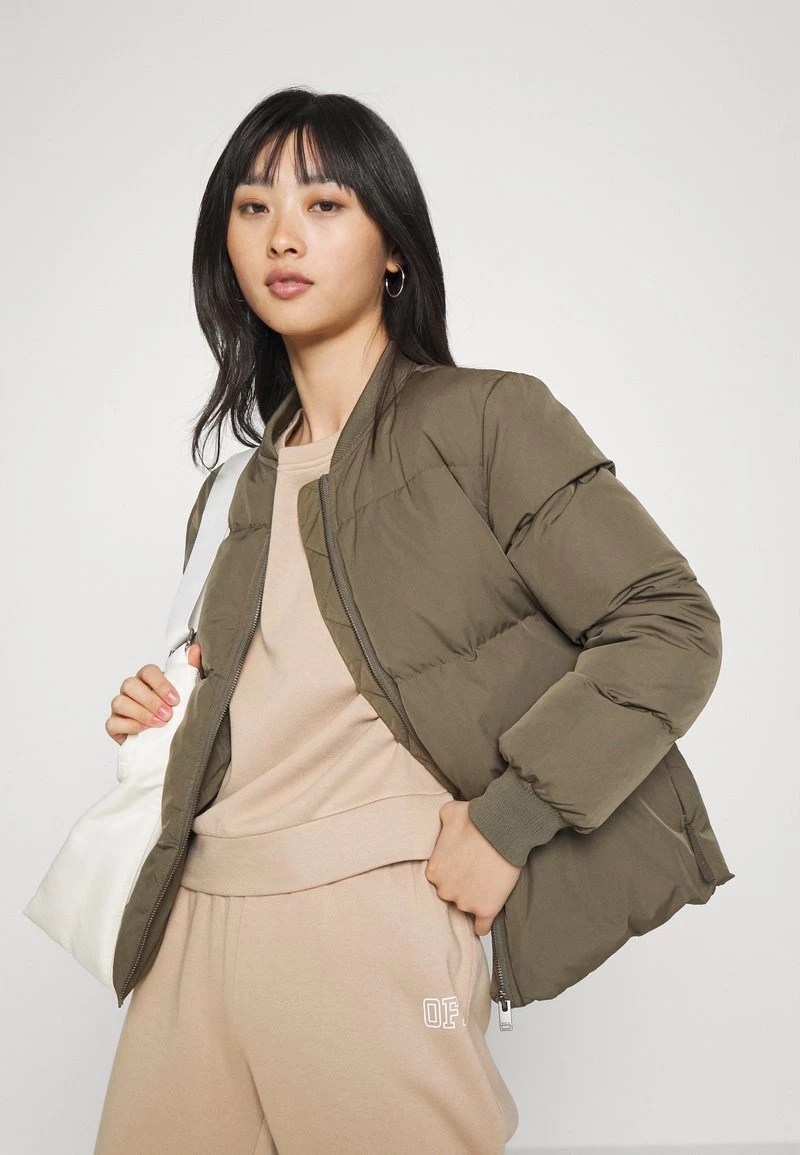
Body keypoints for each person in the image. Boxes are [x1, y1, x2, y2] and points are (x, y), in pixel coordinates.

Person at [93, 85, 725, 1154]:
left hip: (372, 928)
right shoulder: (233, 490)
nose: (282, 235)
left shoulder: (486, 420)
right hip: (190, 926)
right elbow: (290, 688)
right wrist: (163, 714)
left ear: (393, 245)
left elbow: (669, 625)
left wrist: (510, 819)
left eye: (324, 204)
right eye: (252, 207)